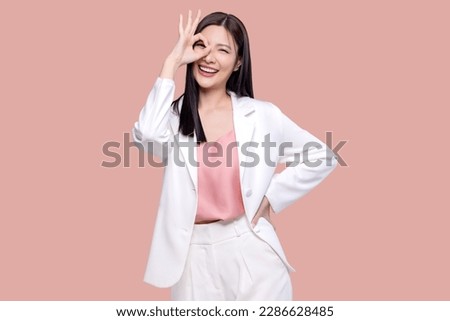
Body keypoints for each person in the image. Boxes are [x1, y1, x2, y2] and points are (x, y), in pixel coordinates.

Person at [132, 10, 338, 300]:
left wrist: (272, 196)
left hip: (250, 249)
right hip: (190, 259)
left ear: (238, 62)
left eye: (223, 50)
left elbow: (322, 155)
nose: (209, 58)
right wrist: (171, 62)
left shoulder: (262, 115)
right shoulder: (173, 118)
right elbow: (147, 135)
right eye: (202, 47)